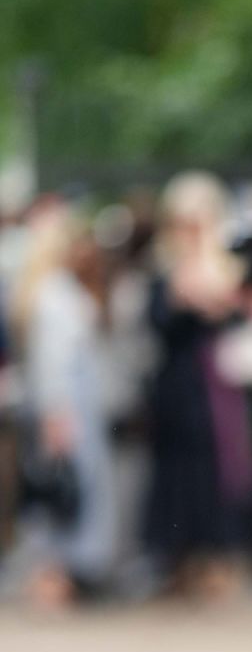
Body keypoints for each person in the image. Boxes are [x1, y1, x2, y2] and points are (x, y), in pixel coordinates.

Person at [143, 172, 252, 598]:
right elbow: (158, 325)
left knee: (219, 473)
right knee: (177, 475)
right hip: (176, 393)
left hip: (217, 393)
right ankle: (178, 558)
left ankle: (217, 559)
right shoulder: (163, 271)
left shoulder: (230, 268)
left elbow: (240, 320)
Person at [6, 206, 118, 605]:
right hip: (68, 408)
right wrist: (58, 415)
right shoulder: (56, 295)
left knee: (59, 491)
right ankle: (52, 577)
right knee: (65, 493)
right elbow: (56, 362)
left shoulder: (43, 291)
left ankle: (55, 576)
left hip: (65, 405)